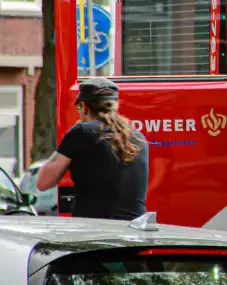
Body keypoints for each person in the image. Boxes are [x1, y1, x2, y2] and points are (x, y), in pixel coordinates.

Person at [36, 77, 149, 220]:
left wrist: (69, 140)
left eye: (78, 108)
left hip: (96, 229)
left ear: (84, 106)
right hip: (135, 229)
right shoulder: (138, 137)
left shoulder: (82, 132)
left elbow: (43, 182)